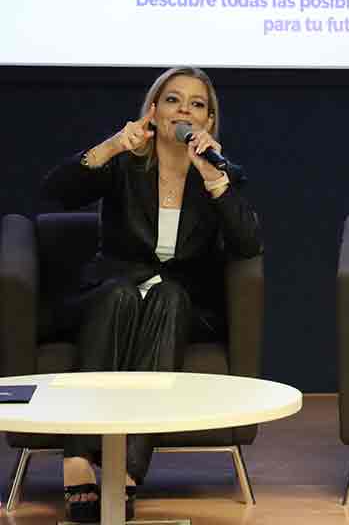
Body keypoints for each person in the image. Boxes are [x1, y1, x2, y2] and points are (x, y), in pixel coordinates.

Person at [41, 66, 263, 522]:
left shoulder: (214, 174)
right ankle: (78, 459)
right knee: (120, 295)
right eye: (173, 100)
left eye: (196, 104)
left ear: (208, 121)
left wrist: (215, 180)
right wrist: (112, 146)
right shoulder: (126, 164)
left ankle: (127, 474)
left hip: (178, 304)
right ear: (153, 111)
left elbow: (248, 245)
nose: (184, 110)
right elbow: (55, 192)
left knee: (170, 297)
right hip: (110, 293)